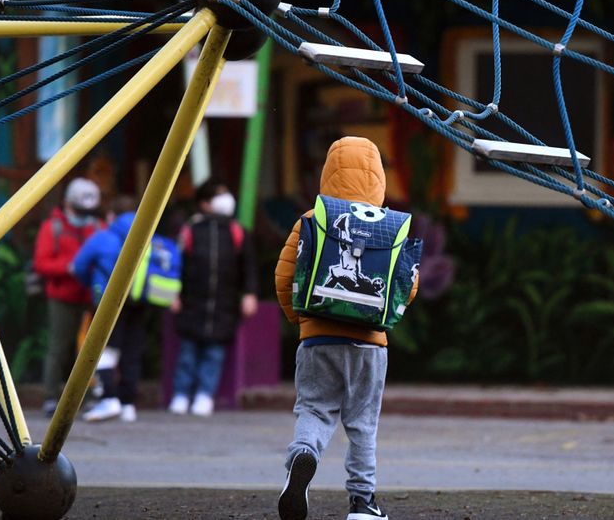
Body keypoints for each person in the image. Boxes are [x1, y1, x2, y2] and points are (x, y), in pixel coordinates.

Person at [273, 137, 418, 520]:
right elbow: (408, 284)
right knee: (363, 424)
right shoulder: (389, 225)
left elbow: (284, 276)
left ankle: (304, 452)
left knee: (315, 409)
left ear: (328, 172)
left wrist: (301, 320)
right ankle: (362, 503)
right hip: (371, 343)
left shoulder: (311, 218)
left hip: (318, 337)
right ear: (379, 178)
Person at [168, 179, 259, 417]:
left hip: (224, 303)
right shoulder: (190, 230)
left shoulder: (237, 231)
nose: (226, 198)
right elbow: (176, 265)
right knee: (187, 351)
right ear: (204, 203)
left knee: (215, 353)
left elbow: (249, 266)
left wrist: (250, 293)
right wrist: (173, 293)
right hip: (191, 302)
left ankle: (204, 395)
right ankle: (180, 394)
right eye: (219, 194)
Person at [72, 196, 159, 423]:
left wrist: (90, 284)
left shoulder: (104, 237)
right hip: (140, 303)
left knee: (105, 351)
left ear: (112, 215)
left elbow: (78, 266)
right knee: (131, 352)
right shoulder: (149, 235)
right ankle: (128, 405)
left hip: (108, 303)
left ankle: (109, 399)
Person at [32, 177, 102, 416]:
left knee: (88, 350)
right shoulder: (52, 227)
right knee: (57, 348)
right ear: (67, 203)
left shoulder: (97, 226)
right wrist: (70, 267)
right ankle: (51, 397)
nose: (84, 214)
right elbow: (41, 263)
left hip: (90, 298)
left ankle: (90, 397)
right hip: (62, 297)